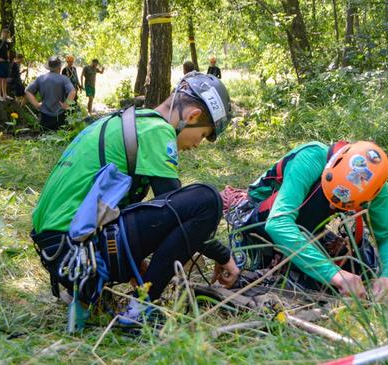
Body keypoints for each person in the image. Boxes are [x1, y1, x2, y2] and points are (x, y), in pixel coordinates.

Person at [30, 72, 238, 325]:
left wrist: (136, 265)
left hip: (58, 252)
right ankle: (140, 310)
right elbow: (175, 208)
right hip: (75, 251)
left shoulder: (128, 121)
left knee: (186, 204)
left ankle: (106, 295)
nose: (198, 144)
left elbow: (118, 206)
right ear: (192, 116)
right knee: (207, 200)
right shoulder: (157, 130)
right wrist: (224, 257)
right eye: (203, 135)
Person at [228, 141, 388, 304]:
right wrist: (336, 275)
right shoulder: (311, 157)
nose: (332, 205)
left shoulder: (374, 185)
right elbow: (277, 223)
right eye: (331, 196)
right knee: (326, 278)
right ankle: (276, 260)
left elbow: (387, 236)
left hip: (306, 224)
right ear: (331, 168)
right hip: (260, 216)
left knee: (361, 267)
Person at [25, 56, 76, 130]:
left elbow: (28, 90)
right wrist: (66, 104)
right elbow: (72, 91)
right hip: (60, 115)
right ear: (60, 67)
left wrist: (36, 104)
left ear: (49, 67)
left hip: (44, 115)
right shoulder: (64, 79)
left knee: (44, 136)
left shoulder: (41, 78)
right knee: (59, 137)